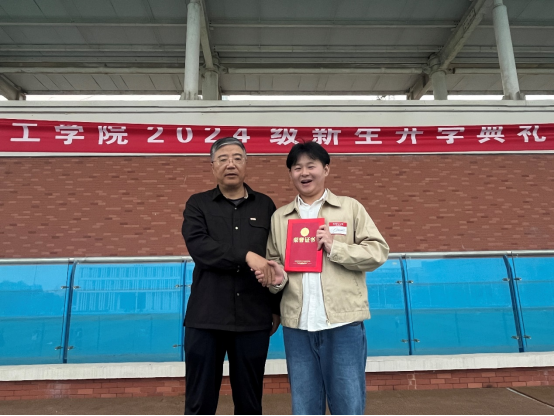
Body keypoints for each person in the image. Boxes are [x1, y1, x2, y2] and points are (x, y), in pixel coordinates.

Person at [255, 142, 389, 415]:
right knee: (304, 406)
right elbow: (274, 266)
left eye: (311, 166)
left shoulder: (349, 208)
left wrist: (335, 247)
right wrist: (276, 279)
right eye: (297, 168)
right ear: (291, 174)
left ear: (326, 169)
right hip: (298, 327)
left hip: (343, 324)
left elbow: (378, 252)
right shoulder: (280, 217)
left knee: (348, 404)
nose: (304, 173)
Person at [182, 137, 282, 415]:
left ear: (246, 164)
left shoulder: (265, 205)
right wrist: (247, 255)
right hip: (206, 317)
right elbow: (200, 247)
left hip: (253, 317)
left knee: (250, 403)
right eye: (223, 159)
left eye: (237, 158)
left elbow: (275, 257)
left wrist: (276, 307)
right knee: (199, 403)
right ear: (212, 166)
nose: (230, 164)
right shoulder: (198, 204)